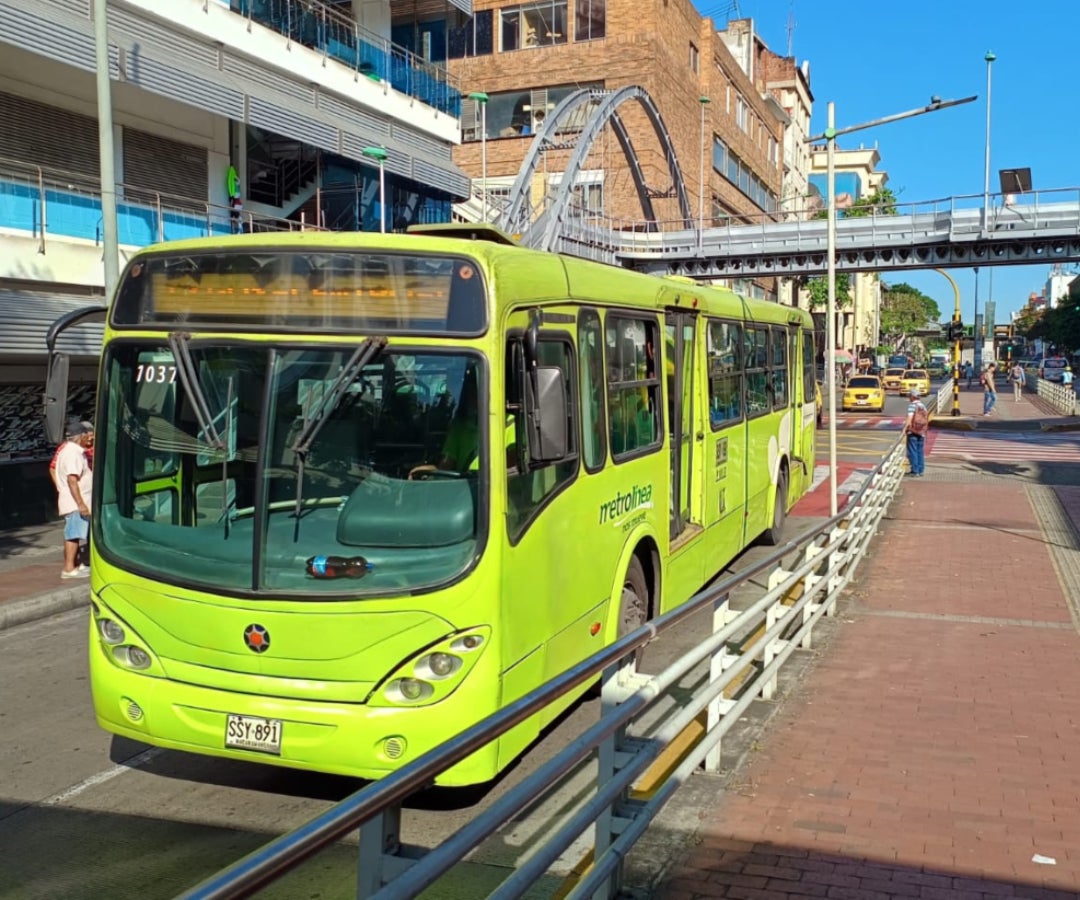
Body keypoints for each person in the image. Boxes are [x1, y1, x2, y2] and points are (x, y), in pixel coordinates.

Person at [55, 419, 94, 579]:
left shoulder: (71, 451)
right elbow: (72, 480)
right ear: (80, 436)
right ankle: (69, 569)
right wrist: (81, 504)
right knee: (73, 535)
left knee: (76, 533)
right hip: (75, 503)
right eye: (87, 435)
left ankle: (76, 566)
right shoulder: (73, 453)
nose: (89, 439)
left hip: (76, 502)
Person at [902, 388, 928, 477]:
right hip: (922, 431)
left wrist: (904, 429)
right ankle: (921, 470)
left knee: (912, 451)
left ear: (913, 396)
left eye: (910, 396)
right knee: (920, 451)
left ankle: (915, 470)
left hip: (913, 431)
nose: (909, 397)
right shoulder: (923, 406)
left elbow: (909, 418)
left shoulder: (912, 406)